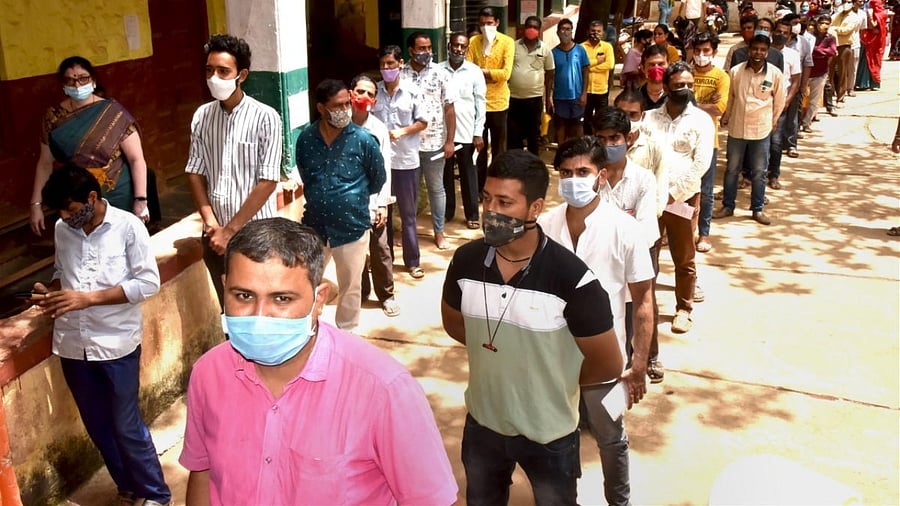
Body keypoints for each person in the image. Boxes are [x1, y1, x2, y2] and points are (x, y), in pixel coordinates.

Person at [179, 218, 458, 506]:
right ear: (224, 288)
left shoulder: (384, 390)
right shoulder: (208, 373)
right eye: (244, 295)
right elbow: (203, 472)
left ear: (319, 299)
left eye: (282, 298)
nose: (259, 315)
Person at [441, 150, 623, 505]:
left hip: (550, 433)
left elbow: (609, 364)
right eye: (487, 199)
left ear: (535, 208)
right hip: (483, 422)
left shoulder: (574, 280)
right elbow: (455, 325)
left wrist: (552, 376)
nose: (491, 211)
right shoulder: (465, 261)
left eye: (505, 202)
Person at [33, 165, 170, 506]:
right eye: (59, 212)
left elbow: (147, 283)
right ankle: (129, 487)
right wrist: (49, 291)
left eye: (68, 208)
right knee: (97, 424)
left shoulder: (128, 227)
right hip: (72, 344)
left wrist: (88, 299)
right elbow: (62, 273)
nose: (64, 217)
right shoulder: (64, 230)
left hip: (116, 343)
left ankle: (156, 493)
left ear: (91, 198)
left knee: (126, 424)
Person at [540, 137, 654, 506]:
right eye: (566, 172)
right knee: (558, 437)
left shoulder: (625, 229)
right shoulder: (542, 227)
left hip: (606, 360)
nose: (573, 180)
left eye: (583, 172)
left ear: (601, 176)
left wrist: (637, 366)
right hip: (552, 359)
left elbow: (643, 301)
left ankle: (618, 502)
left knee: (610, 436)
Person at [186, 34, 282, 308]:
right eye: (209, 70)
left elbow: (268, 181)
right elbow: (194, 171)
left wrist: (231, 231)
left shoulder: (266, 117)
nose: (214, 77)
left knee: (260, 306)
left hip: (255, 235)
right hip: (215, 236)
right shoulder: (202, 116)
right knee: (228, 309)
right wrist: (212, 224)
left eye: (223, 71)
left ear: (242, 75)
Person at [296, 79, 386, 331]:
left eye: (348, 103)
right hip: (314, 227)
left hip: (352, 226)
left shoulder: (364, 140)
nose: (346, 110)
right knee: (305, 283)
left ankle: (347, 338)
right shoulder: (306, 139)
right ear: (322, 109)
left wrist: (348, 199)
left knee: (350, 287)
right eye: (338, 106)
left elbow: (377, 178)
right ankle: (307, 332)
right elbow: (306, 175)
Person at [30, 56, 151, 236]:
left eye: (83, 78)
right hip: (78, 197)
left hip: (116, 190)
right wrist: (36, 204)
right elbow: (45, 163)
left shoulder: (113, 113)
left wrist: (140, 200)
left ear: (93, 81)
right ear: (63, 85)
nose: (77, 85)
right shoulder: (54, 118)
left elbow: (136, 159)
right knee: (85, 247)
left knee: (122, 241)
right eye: (70, 80)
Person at [644, 61, 715, 334]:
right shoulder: (650, 119)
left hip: (681, 200)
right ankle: (645, 304)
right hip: (649, 199)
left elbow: (701, 164)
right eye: (678, 85)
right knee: (647, 253)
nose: (684, 89)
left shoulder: (700, 120)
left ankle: (684, 309)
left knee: (683, 257)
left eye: (688, 84)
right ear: (665, 87)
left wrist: (672, 195)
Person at [614, 89, 668, 382]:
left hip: (645, 238)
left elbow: (661, 183)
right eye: (622, 113)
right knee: (616, 303)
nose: (627, 120)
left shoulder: (652, 145)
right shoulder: (603, 147)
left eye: (633, 115)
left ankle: (651, 355)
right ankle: (620, 356)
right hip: (612, 243)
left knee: (644, 301)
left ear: (641, 116)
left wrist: (652, 217)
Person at [716, 34, 785, 226]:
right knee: (732, 169)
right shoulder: (736, 71)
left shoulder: (775, 74)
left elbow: (779, 101)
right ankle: (728, 206)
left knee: (759, 171)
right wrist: (726, 115)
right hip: (737, 127)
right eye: (755, 49)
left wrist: (773, 121)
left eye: (763, 50)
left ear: (767, 52)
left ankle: (757, 209)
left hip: (761, 129)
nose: (758, 53)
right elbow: (730, 96)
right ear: (749, 50)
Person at [371, 45, 428, 279]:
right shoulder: (374, 92)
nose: (387, 68)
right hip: (380, 164)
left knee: (408, 215)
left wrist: (402, 131)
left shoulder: (413, 91)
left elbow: (423, 122)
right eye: (383, 65)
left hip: (405, 161)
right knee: (381, 214)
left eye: (391, 64)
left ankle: (413, 261)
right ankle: (385, 262)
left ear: (400, 63)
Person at [348, 74, 400, 318]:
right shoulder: (339, 126)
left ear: (375, 99)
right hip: (347, 202)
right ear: (351, 93)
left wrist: (382, 204)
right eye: (360, 91)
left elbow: (385, 169)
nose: (364, 97)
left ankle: (387, 295)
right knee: (353, 253)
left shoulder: (378, 129)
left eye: (370, 93)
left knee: (380, 251)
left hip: (373, 200)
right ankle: (361, 292)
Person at [402, 32, 458, 251]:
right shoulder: (400, 74)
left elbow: (450, 109)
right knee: (410, 192)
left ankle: (439, 231)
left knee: (436, 189)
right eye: (421, 48)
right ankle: (410, 232)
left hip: (434, 143)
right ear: (411, 51)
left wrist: (450, 141)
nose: (426, 52)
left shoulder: (441, 74)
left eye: (428, 48)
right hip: (408, 145)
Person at [441, 32, 487, 230]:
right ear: (449, 46)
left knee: (469, 173)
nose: (458, 49)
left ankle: (472, 214)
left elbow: (480, 103)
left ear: (467, 49)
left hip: (467, 131)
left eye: (462, 46)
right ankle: (447, 211)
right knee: (445, 175)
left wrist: (478, 132)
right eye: (455, 45)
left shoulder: (474, 71)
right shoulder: (438, 70)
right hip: (443, 133)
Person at [467, 6, 516, 191]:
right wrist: (486, 75)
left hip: (499, 103)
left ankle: (497, 186)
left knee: (498, 149)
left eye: (489, 23)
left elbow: (506, 73)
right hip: (477, 104)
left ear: (497, 23)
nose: (486, 27)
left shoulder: (507, 43)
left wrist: (483, 72)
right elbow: (469, 71)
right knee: (478, 147)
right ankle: (480, 187)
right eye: (482, 24)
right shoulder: (474, 42)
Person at [690, 32, 730, 254]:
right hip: (685, 140)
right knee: (681, 189)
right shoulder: (685, 72)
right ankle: (679, 231)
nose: (701, 55)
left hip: (708, 141)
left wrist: (691, 102)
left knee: (706, 191)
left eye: (706, 51)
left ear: (714, 52)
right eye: (697, 51)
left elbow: (719, 108)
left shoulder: (721, 77)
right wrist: (703, 103)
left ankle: (703, 233)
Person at [508, 16, 554, 155]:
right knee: (514, 134)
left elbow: (550, 74)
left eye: (535, 27)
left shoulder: (545, 50)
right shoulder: (513, 46)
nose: (531, 30)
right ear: (523, 28)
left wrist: (548, 99)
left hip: (534, 99)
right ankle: (516, 162)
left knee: (533, 133)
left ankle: (533, 163)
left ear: (539, 31)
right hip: (513, 99)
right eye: (529, 26)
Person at [768, 20, 803, 190]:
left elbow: (796, 81)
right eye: (778, 31)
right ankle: (749, 175)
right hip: (761, 103)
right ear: (773, 32)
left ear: (789, 37)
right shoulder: (763, 51)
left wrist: (787, 100)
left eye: (785, 33)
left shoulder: (792, 55)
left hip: (780, 105)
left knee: (776, 142)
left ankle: (774, 175)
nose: (781, 35)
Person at [550, 18, 591, 145]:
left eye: (568, 29)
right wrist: (549, 97)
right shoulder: (553, 53)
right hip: (560, 96)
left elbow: (586, 71)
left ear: (572, 31)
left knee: (578, 126)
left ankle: (580, 151)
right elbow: (550, 76)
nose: (565, 32)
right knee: (561, 126)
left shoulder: (580, 50)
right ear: (558, 32)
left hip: (577, 96)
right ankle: (561, 152)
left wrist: (584, 93)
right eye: (562, 29)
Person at [801, 15, 839, 131]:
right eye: (822, 22)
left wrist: (816, 50)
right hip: (806, 72)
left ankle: (806, 123)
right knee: (801, 99)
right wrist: (823, 52)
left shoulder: (831, 38)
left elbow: (832, 51)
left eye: (827, 23)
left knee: (814, 100)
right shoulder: (809, 37)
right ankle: (797, 123)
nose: (824, 25)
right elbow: (808, 51)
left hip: (820, 73)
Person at [581, 20, 616, 134]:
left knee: (601, 119)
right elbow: (580, 65)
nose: (595, 33)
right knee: (586, 118)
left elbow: (609, 64)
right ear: (588, 31)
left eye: (598, 31)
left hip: (601, 90)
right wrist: (597, 61)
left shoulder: (607, 47)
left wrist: (589, 67)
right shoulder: (582, 47)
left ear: (603, 33)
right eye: (593, 31)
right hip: (586, 90)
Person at [855, 0, 888, 90]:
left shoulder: (878, 14)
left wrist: (869, 15)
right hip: (877, 40)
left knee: (869, 60)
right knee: (874, 61)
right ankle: (872, 83)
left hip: (872, 40)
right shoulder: (883, 12)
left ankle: (864, 83)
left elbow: (872, 25)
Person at [638, 45, 670, 110]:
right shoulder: (635, 97)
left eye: (661, 64)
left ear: (669, 65)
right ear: (643, 68)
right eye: (652, 65)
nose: (656, 68)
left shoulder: (677, 97)